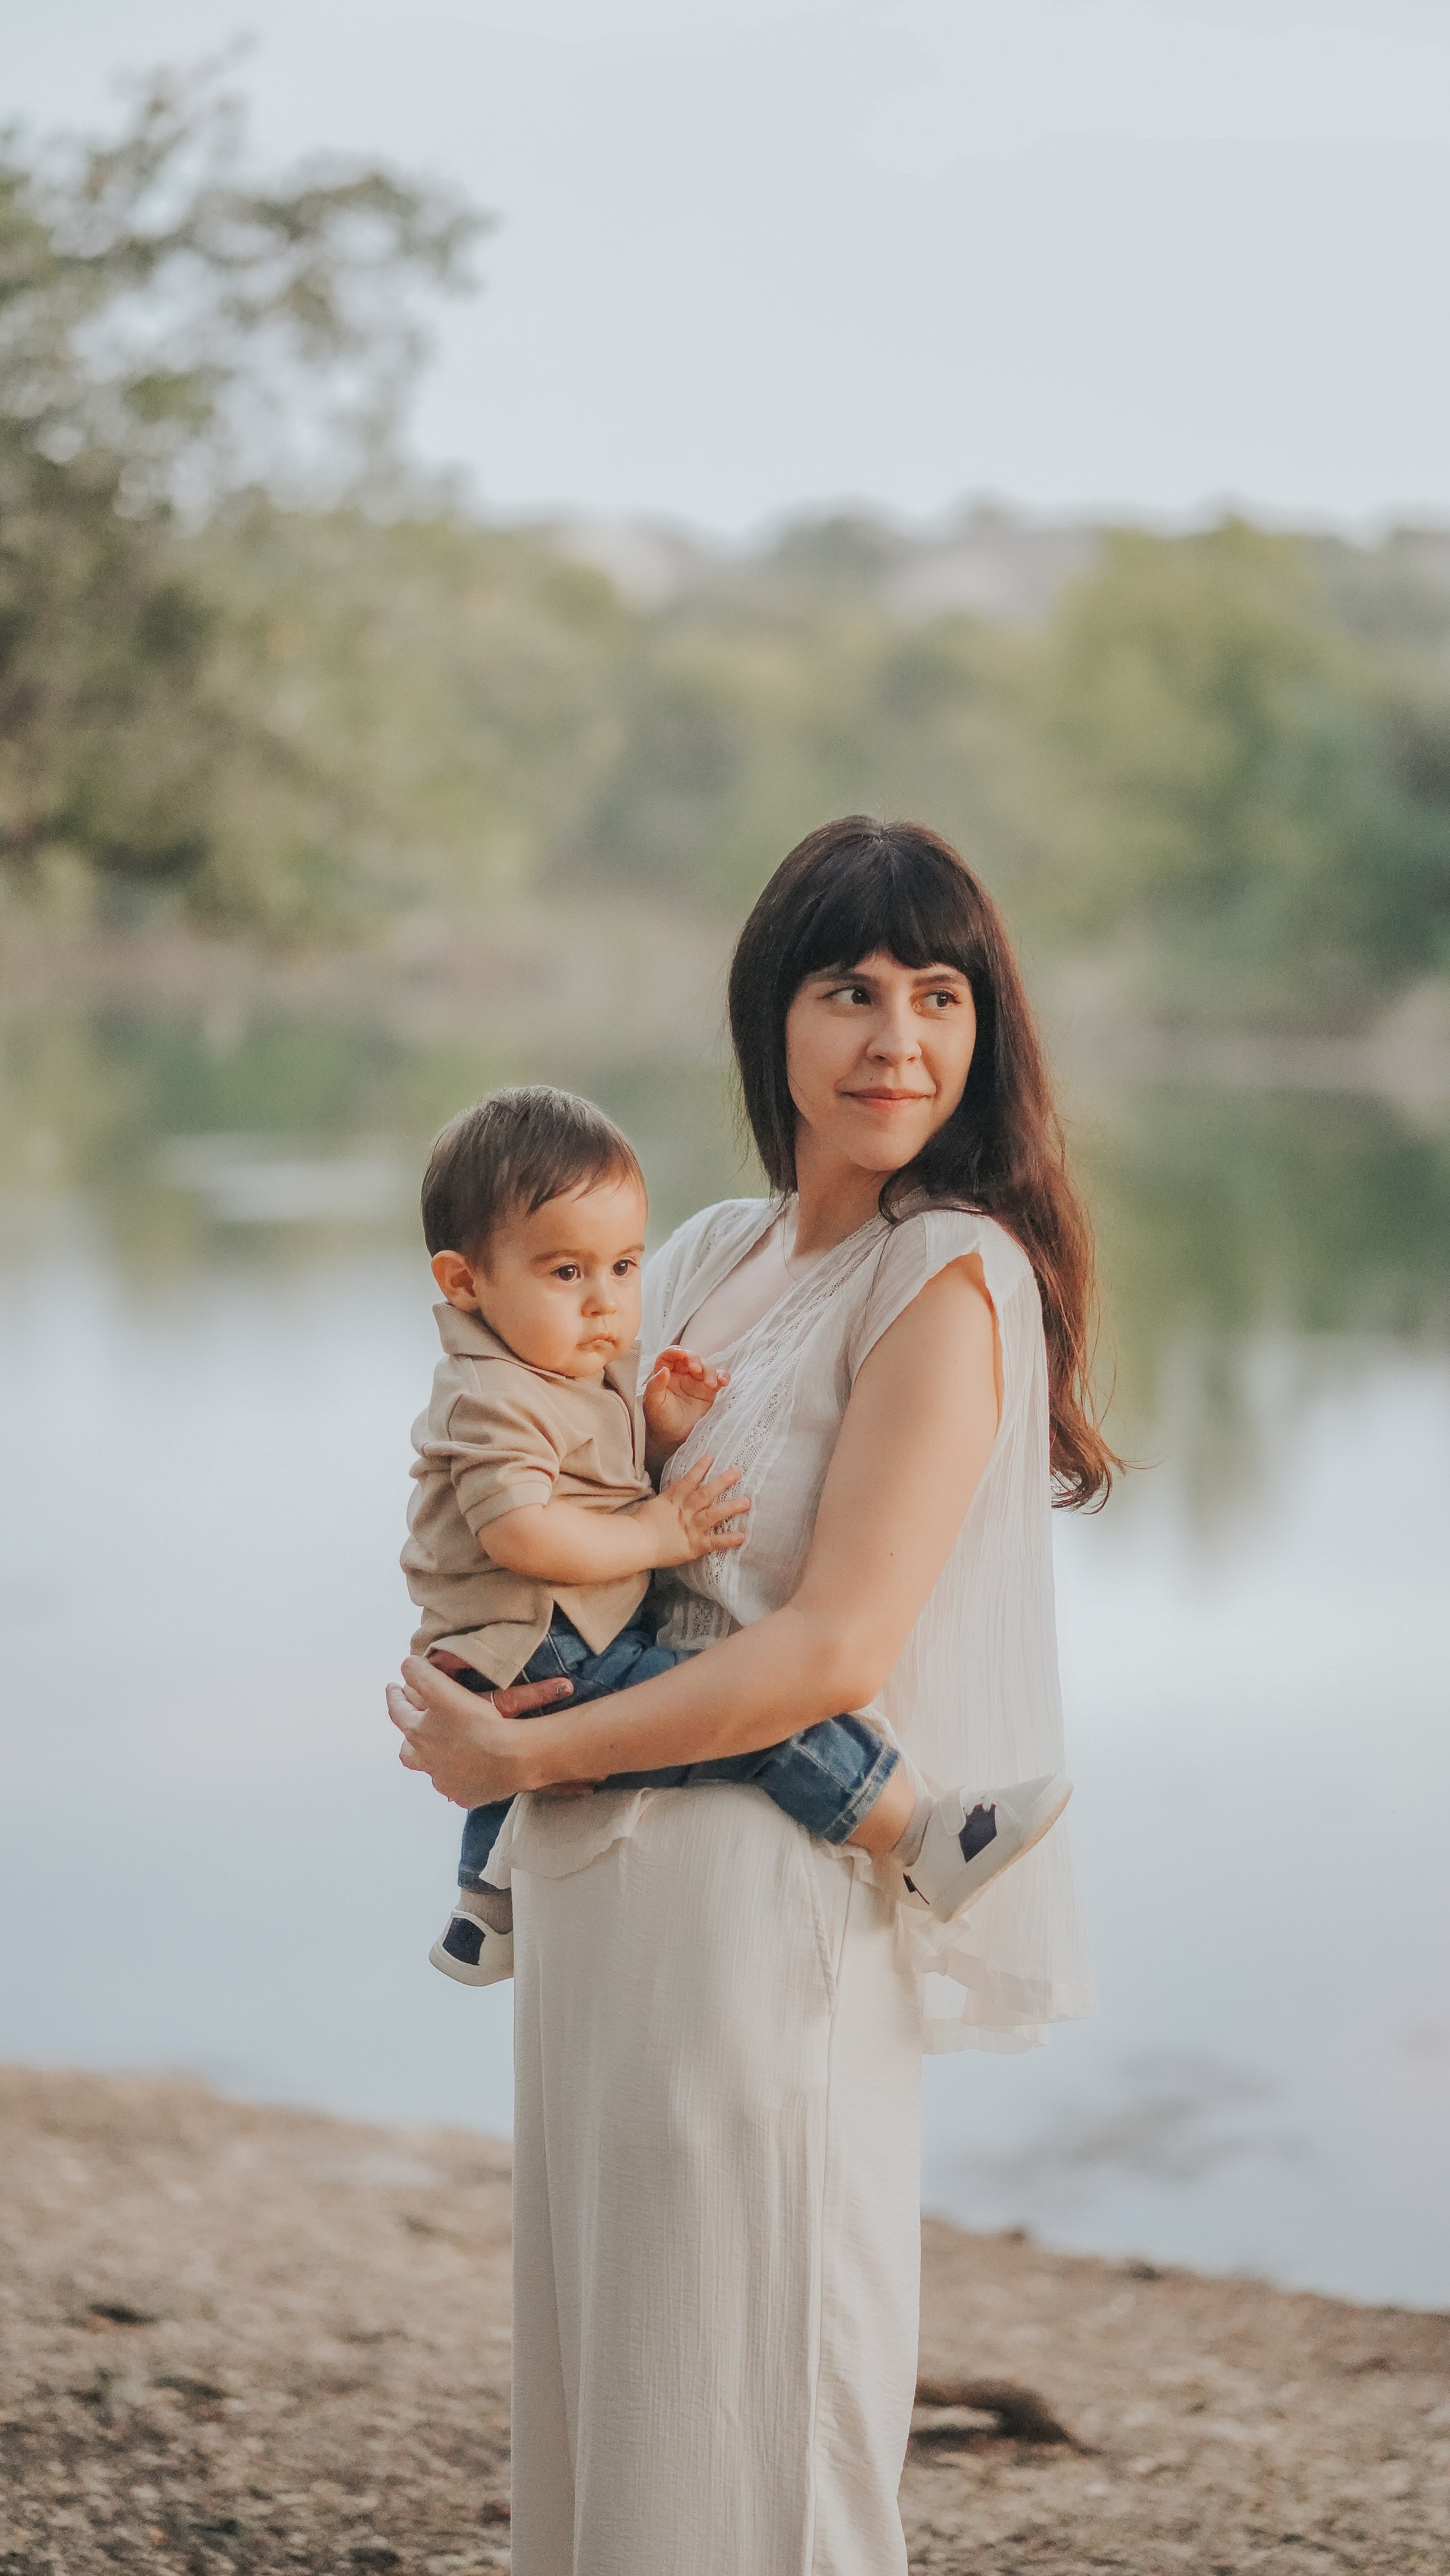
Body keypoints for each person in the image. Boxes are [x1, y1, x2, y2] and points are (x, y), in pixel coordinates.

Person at [389, 817, 1112, 2576]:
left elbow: (829, 1655)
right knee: (616, 2413)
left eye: (937, 996)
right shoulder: (700, 1249)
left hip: (756, 1926)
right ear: (767, 1017)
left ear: (982, 1025)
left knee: (754, 2424)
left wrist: (519, 1744)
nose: (896, 1042)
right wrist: (482, 1632)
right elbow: (561, 1488)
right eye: (847, 991)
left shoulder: (951, 1274)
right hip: (595, 1903)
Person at [404, 1082, 1071, 1985]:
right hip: (546, 1644)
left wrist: (659, 1431)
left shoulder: (547, 1366)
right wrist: (661, 1532)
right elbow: (524, 1533)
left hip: (536, 1651)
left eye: (624, 1268)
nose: (604, 1302)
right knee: (761, 1727)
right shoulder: (494, 1392)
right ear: (463, 1281)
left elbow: (578, 1481)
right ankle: (917, 1836)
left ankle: (482, 1913)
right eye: (566, 1273)